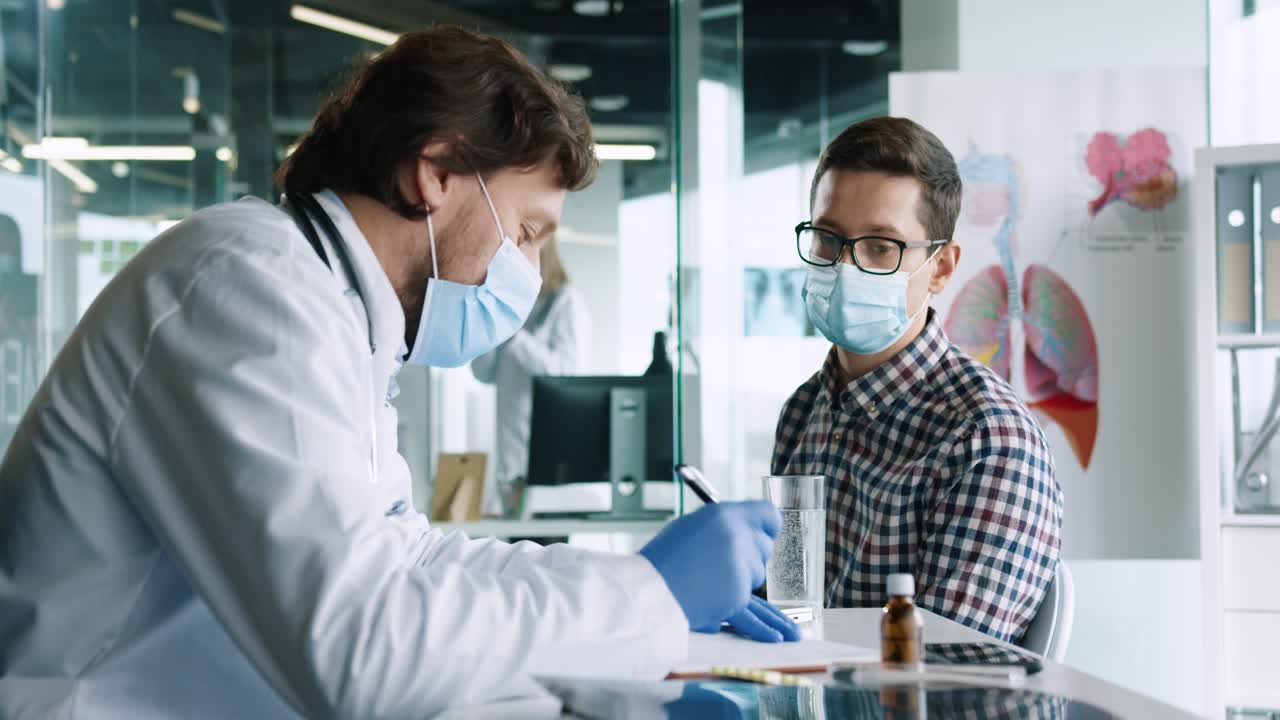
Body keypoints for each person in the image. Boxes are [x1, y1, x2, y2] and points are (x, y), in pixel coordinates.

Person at [0, 28, 797, 719]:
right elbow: (361, 652)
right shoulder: (249, 286)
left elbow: (410, 562)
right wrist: (649, 600)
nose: (530, 268)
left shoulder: (330, 306)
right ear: (437, 174)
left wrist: (636, 580)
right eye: (526, 230)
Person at [771, 116, 1062, 643]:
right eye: (828, 239)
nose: (844, 267)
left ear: (942, 267)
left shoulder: (988, 441)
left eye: (880, 247)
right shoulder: (803, 411)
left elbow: (943, 671)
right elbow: (788, 611)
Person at [471, 233, 589, 508]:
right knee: (517, 541)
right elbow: (482, 373)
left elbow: (565, 375)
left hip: (550, 454)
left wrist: (517, 338)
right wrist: (493, 326)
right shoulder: (510, 306)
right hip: (510, 458)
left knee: (546, 543)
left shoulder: (565, 301)